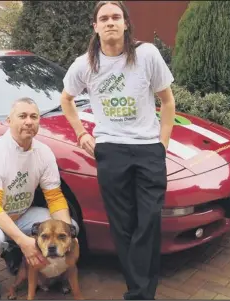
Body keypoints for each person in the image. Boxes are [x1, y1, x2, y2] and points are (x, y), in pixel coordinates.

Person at [60, 1, 175, 300]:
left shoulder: (147, 54)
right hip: (111, 150)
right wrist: (81, 133)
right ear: (95, 27)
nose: (110, 22)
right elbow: (66, 99)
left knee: (148, 220)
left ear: (125, 23)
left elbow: (167, 100)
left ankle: (140, 290)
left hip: (148, 149)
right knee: (123, 226)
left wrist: (162, 145)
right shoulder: (84, 64)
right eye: (104, 18)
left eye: (116, 17)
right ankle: (141, 293)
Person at [0, 97, 79, 300]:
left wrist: (68, 233)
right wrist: (23, 241)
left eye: (34, 117)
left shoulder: (44, 153)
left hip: (20, 214)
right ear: (9, 120)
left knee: (70, 227)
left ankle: (18, 253)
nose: (29, 121)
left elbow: (55, 197)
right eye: (22, 116)